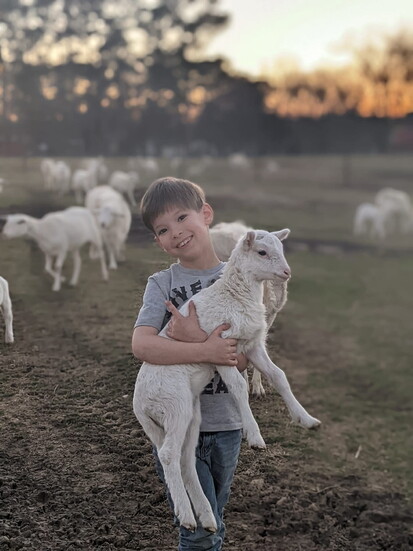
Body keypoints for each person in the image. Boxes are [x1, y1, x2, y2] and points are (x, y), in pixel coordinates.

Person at [132, 176, 248, 551]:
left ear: (206, 214)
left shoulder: (239, 279)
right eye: (164, 229)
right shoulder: (162, 284)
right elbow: (143, 345)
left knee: (214, 516)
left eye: (183, 218)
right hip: (173, 422)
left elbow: (242, 359)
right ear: (158, 241)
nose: (176, 233)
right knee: (196, 532)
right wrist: (205, 351)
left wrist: (197, 339)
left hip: (226, 422)